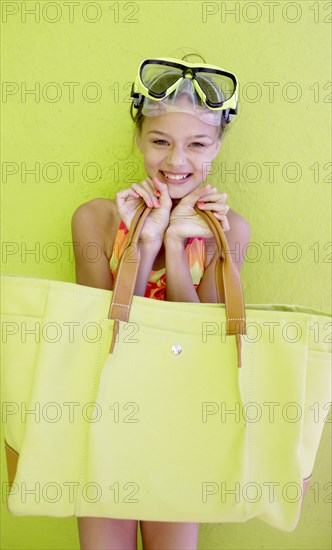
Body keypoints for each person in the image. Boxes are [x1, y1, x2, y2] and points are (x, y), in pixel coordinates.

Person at [71, 55, 250, 550]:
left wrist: (176, 247)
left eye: (197, 144)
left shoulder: (228, 230)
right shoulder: (97, 219)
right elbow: (92, 335)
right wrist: (142, 245)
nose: (177, 162)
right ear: (138, 139)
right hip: (104, 416)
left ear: (217, 146)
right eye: (160, 142)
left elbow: (207, 343)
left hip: (182, 420)